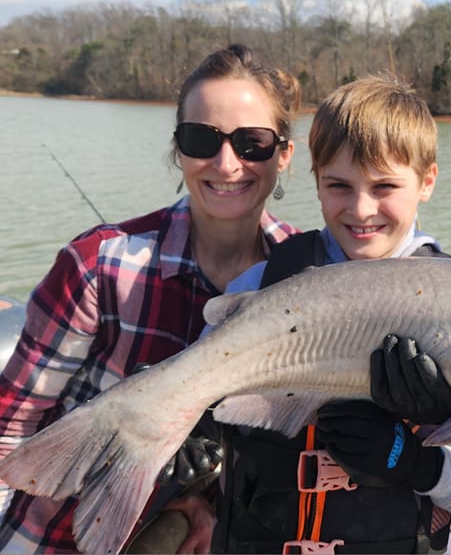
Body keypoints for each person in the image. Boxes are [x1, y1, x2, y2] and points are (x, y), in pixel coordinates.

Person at [0, 43, 301, 554]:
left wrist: (204, 498)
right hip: (56, 539)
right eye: (201, 139)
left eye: (252, 143)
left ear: (284, 154)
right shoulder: (98, 264)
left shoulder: (307, 280)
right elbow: (12, 426)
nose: (226, 163)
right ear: (178, 148)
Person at [211, 73, 451, 554]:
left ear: (427, 181)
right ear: (316, 181)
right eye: (339, 185)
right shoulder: (259, 286)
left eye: (384, 186)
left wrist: (417, 463)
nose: (361, 210)